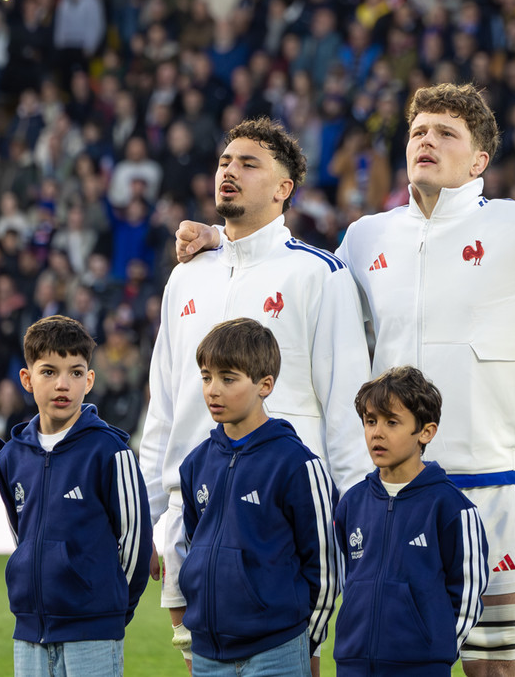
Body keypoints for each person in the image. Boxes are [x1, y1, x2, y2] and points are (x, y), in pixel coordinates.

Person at [178, 85, 515, 674]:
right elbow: (288, 265)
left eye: (446, 133)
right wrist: (216, 240)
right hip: (393, 493)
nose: (427, 141)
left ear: (480, 161)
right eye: (418, 132)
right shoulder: (365, 238)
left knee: (494, 664)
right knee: (386, 657)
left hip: (492, 485)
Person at [141, 116, 369, 664]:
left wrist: (355, 512)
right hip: (190, 507)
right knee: (202, 661)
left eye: (249, 164)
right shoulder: (187, 275)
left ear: (283, 188)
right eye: (224, 161)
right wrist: (152, 516)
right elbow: (165, 405)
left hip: (281, 507)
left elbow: (345, 403)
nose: (229, 172)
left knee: (292, 657)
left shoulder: (319, 274)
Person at [175, 318, 341, 676]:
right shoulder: (195, 464)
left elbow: (325, 569)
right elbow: (193, 548)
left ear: (265, 384)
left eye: (228, 378)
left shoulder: (297, 464)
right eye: (206, 377)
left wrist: (303, 641)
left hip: (276, 651)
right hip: (208, 652)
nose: (212, 390)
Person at [0, 315, 150, 677]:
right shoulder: (11, 457)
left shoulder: (111, 451)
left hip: (93, 633)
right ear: (27, 379)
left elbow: (136, 543)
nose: (63, 384)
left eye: (76, 372)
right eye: (49, 372)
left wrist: (108, 607)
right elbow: (23, 535)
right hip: (30, 632)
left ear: (90, 379)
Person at [333, 367, 490, 677]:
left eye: (392, 422)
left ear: (425, 432)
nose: (377, 432)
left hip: (421, 667)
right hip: (353, 665)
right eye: (370, 421)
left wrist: (435, 649)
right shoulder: (351, 503)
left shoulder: (451, 507)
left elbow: (469, 593)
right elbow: (347, 580)